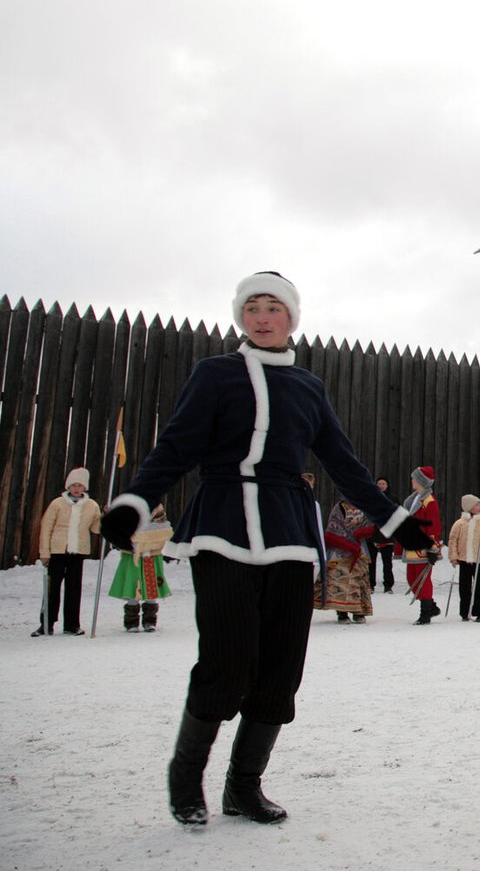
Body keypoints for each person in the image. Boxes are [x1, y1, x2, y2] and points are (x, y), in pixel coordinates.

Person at [98, 271, 431, 826]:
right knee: (227, 662)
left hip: (289, 535)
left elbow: (343, 464)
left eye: (273, 307)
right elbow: (176, 445)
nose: (262, 316)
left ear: (291, 319)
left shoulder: (308, 387)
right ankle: (186, 779)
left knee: (280, 669)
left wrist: (397, 522)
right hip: (222, 525)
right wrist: (134, 502)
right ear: (241, 317)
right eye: (252, 307)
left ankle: (243, 786)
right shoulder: (214, 374)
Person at [34, 467, 102, 636]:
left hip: (78, 551)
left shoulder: (91, 506)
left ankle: (72, 624)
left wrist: (105, 517)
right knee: (52, 588)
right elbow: (46, 527)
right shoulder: (57, 504)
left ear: (84, 487)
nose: (76, 488)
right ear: (68, 486)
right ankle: (46, 624)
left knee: (74, 588)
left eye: (79, 485)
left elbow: (96, 529)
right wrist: (44, 552)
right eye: (73, 485)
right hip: (58, 550)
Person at [109, 504, 172, 632]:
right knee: (133, 585)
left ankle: (150, 620)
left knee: (151, 585)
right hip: (134, 557)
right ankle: (131, 621)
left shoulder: (156, 506)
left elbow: (164, 529)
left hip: (151, 556)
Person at [316, 498, 372, 623]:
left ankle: (359, 611)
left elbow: (369, 523)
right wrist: (346, 540)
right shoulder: (339, 507)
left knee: (359, 580)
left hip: (359, 548)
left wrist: (362, 531)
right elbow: (333, 526)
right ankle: (342, 612)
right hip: (341, 549)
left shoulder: (363, 506)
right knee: (341, 581)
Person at [399, 467, 442, 625]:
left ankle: (425, 613)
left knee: (423, 580)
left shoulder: (429, 502)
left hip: (423, 547)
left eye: (414, 478)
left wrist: (432, 548)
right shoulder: (414, 500)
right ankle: (431, 607)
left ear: (421, 481)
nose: (412, 481)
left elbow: (433, 526)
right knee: (412, 579)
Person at [447, 493, 480, 622]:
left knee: (479, 586)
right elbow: (453, 540)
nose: (479, 507)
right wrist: (453, 557)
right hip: (464, 559)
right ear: (470, 507)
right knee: (464, 587)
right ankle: (465, 612)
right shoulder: (460, 523)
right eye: (477, 504)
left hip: (479, 559)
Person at [367, 477, 396, 593]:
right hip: (372, 535)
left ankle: (388, 585)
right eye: (379, 483)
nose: (381, 485)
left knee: (387, 562)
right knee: (371, 562)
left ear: (387, 485)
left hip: (387, 535)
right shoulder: (370, 499)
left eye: (383, 483)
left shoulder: (393, 500)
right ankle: (370, 584)